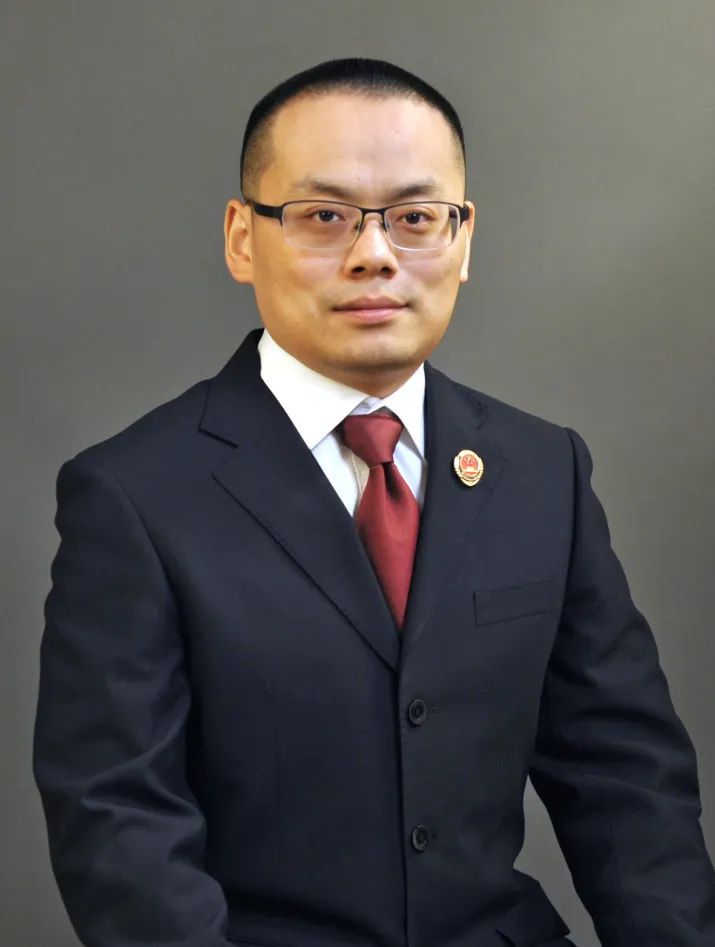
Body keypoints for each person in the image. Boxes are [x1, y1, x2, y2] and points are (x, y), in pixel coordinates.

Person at [33, 57, 715, 947]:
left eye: (415, 217)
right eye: (324, 216)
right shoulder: (132, 493)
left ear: (463, 240)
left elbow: (625, 780)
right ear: (242, 238)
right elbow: (119, 823)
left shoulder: (541, 469)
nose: (374, 253)